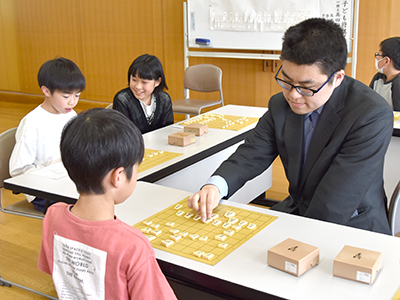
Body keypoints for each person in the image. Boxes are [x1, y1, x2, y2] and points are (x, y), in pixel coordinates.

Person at [188, 18, 393, 235]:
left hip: (352, 225)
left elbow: (337, 199)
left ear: (338, 77)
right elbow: (252, 153)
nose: (293, 95)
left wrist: (290, 240)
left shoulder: (370, 114)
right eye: (286, 80)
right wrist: (215, 186)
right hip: (299, 210)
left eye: (307, 87)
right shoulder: (280, 104)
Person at [38, 108, 177, 299]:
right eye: (136, 168)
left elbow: (53, 271)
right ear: (118, 176)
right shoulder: (133, 246)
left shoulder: (52, 215)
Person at [9, 57, 85, 212]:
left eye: (77, 95)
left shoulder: (70, 115)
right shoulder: (32, 122)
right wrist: (50, 174)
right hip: (42, 190)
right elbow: (18, 169)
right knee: (84, 209)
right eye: (66, 96)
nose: (72, 102)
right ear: (46, 91)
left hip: (67, 180)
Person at [113, 54, 174, 134]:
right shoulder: (122, 100)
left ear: (157, 82)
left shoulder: (164, 99)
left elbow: (168, 131)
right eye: (134, 80)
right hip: (134, 146)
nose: (138, 86)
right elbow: (123, 135)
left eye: (144, 82)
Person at [369, 37, 400, 110]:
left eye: (378, 54)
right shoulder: (378, 77)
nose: (376, 58)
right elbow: (368, 102)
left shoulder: (398, 84)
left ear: (386, 61)